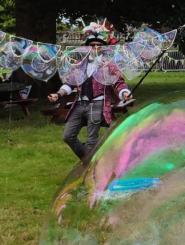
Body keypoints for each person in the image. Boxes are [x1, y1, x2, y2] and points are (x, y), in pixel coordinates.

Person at [47, 22, 132, 159]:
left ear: (103, 48)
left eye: (99, 45)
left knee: (91, 141)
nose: (96, 47)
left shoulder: (108, 64)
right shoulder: (79, 65)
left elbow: (118, 82)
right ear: (87, 47)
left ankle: (88, 168)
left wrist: (124, 93)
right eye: (92, 45)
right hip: (79, 104)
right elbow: (70, 83)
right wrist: (58, 95)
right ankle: (88, 162)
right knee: (68, 136)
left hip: (97, 104)